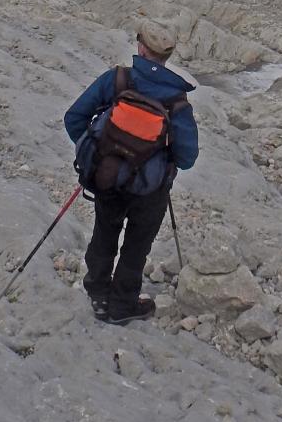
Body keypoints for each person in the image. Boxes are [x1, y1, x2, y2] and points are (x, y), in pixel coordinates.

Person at [64, 20, 198, 324]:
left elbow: (74, 118)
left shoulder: (117, 80)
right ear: (167, 55)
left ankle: (97, 295)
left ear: (140, 48)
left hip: (108, 177)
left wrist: (96, 153)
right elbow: (188, 157)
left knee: (104, 233)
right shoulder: (177, 101)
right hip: (151, 189)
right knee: (137, 246)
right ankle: (123, 306)